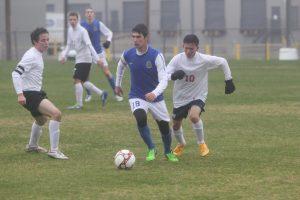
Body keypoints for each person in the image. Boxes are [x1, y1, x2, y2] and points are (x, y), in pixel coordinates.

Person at [115, 24, 178, 162]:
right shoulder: (128, 54)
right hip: (136, 95)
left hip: (156, 98)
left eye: (138, 37)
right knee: (140, 117)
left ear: (146, 38)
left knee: (164, 127)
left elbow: (164, 80)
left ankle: (168, 151)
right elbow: (120, 66)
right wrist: (117, 84)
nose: (135, 40)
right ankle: (151, 148)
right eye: (133, 37)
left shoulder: (156, 56)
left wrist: (154, 93)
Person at [167, 34, 235, 157]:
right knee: (176, 125)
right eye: (186, 48)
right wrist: (173, 76)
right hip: (180, 98)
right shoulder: (177, 59)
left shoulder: (203, 59)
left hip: (198, 95)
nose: (188, 51)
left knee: (194, 116)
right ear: (183, 46)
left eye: (191, 49)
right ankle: (181, 144)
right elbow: (165, 74)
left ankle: (202, 143)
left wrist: (228, 80)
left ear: (197, 48)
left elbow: (223, 62)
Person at [11, 27, 68, 159]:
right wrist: (20, 94)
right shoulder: (31, 55)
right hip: (29, 94)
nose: (47, 42)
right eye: (43, 40)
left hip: (35, 92)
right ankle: (54, 151)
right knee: (56, 114)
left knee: (41, 119)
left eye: (48, 39)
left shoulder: (37, 54)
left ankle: (32, 146)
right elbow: (15, 73)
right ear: (35, 41)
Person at [60, 12, 108, 109]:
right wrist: (64, 56)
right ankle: (102, 93)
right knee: (84, 82)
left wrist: (97, 59)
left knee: (76, 80)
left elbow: (90, 46)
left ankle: (79, 104)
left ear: (78, 20)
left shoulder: (82, 31)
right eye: (71, 20)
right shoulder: (70, 30)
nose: (72, 21)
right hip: (79, 59)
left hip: (85, 58)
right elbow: (69, 45)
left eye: (74, 19)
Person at [81, 7, 123, 102]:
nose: (89, 14)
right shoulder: (82, 25)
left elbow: (109, 33)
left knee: (107, 73)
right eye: (87, 12)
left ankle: (117, 93)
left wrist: (108, 41)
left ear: (93, 14)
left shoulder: (98, 24)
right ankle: (88, 94)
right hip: (87, 54)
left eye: (91, 12)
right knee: (85, 76)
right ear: (85, 14)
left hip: (99, 53)